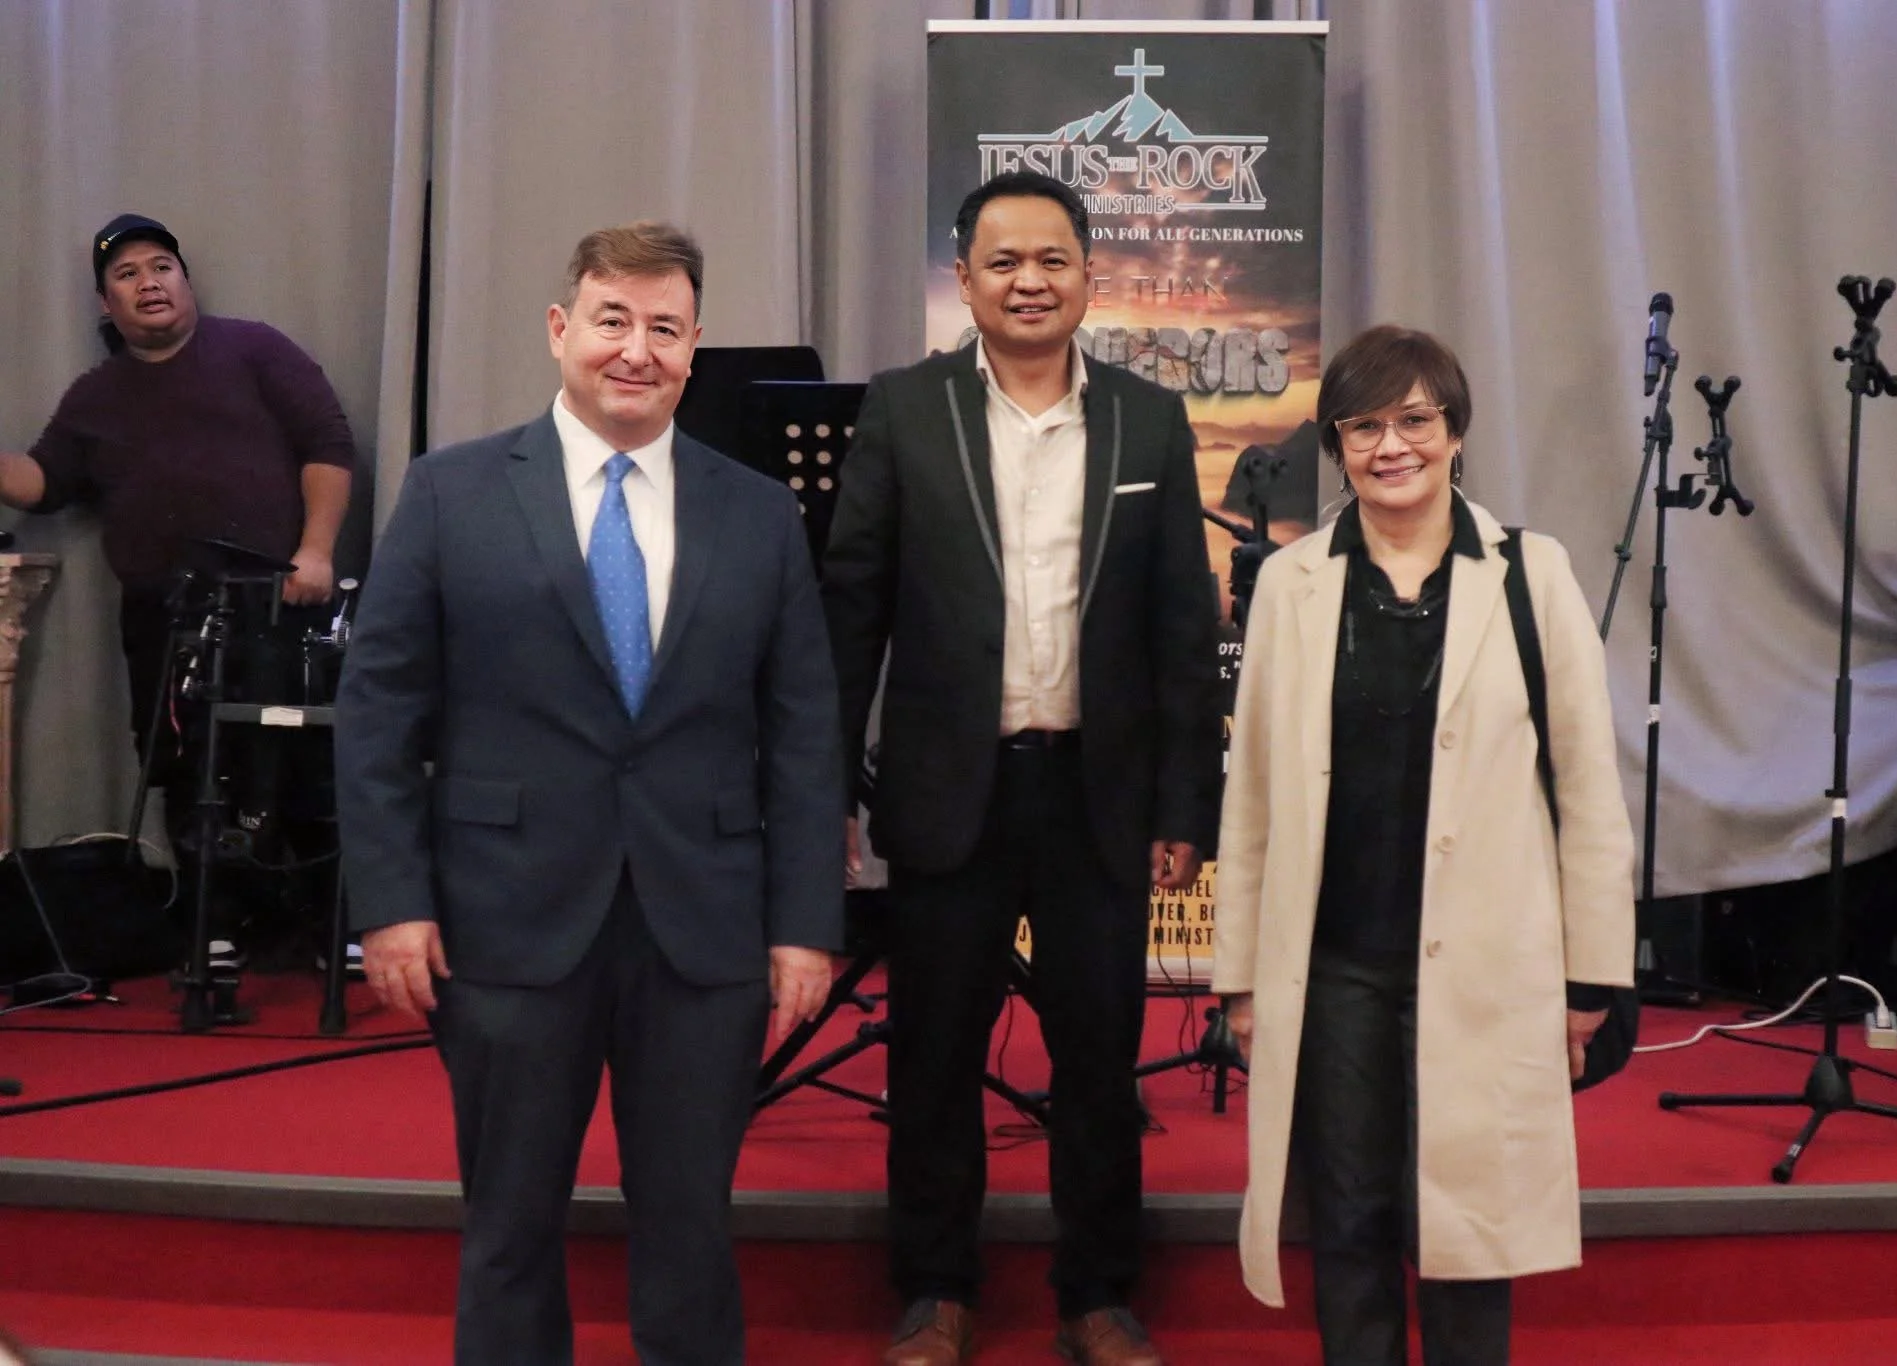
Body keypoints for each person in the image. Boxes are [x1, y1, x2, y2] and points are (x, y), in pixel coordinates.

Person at [334, 221, 842, 1366]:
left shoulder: (756, 513)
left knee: (690, 1228)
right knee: (508, 1228)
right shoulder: (452, 490)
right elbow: (377, 713)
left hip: (700, 928)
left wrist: (807, 922)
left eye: (664, 327)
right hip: (503, 922)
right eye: (612, 320)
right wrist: (389, 901)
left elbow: (804, 733)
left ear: (695, 347)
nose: (636, 350)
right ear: (561, 330)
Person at [822, 170, 1221, 1366]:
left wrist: (1182, 803)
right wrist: (828, 789)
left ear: (1090, 276)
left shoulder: (1148, 421)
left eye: (1052, 259)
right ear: (966, 281)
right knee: (932, 1056)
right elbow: (852, 613)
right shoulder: (905, 410)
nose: (1029, 281)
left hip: (1097, 797)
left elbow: (1178, 632)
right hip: (949, 793)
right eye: (1003, 262)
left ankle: (1096, 1296)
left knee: (1098, 1062)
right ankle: (934, 1292)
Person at [1208, 324, 1636, 1365]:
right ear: (1335, 442)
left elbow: (1587, 794)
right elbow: (1253, 800)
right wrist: (1239, 981)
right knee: (1347, 1223)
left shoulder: (1530, 577)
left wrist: (1592, 977)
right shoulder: (1290, 584)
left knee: (1463, 1232)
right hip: (1335, 965)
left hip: (1487, 968)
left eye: (1412, 420)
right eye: (1362, 426)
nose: (1388, 445)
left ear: (1452, 433)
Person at [0, 213, 356, 964]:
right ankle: (212, 929)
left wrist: (315, 552)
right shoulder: (96, 396)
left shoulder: (255, 349)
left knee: (295, 761)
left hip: (274, 598)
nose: (148, 283)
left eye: (161, 266)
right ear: (107, 305)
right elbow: (41, 482)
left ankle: (331, 930)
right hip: (164, 616)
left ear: (186, 281)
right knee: (182, 764)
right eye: (126, 275)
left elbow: (328, 444)